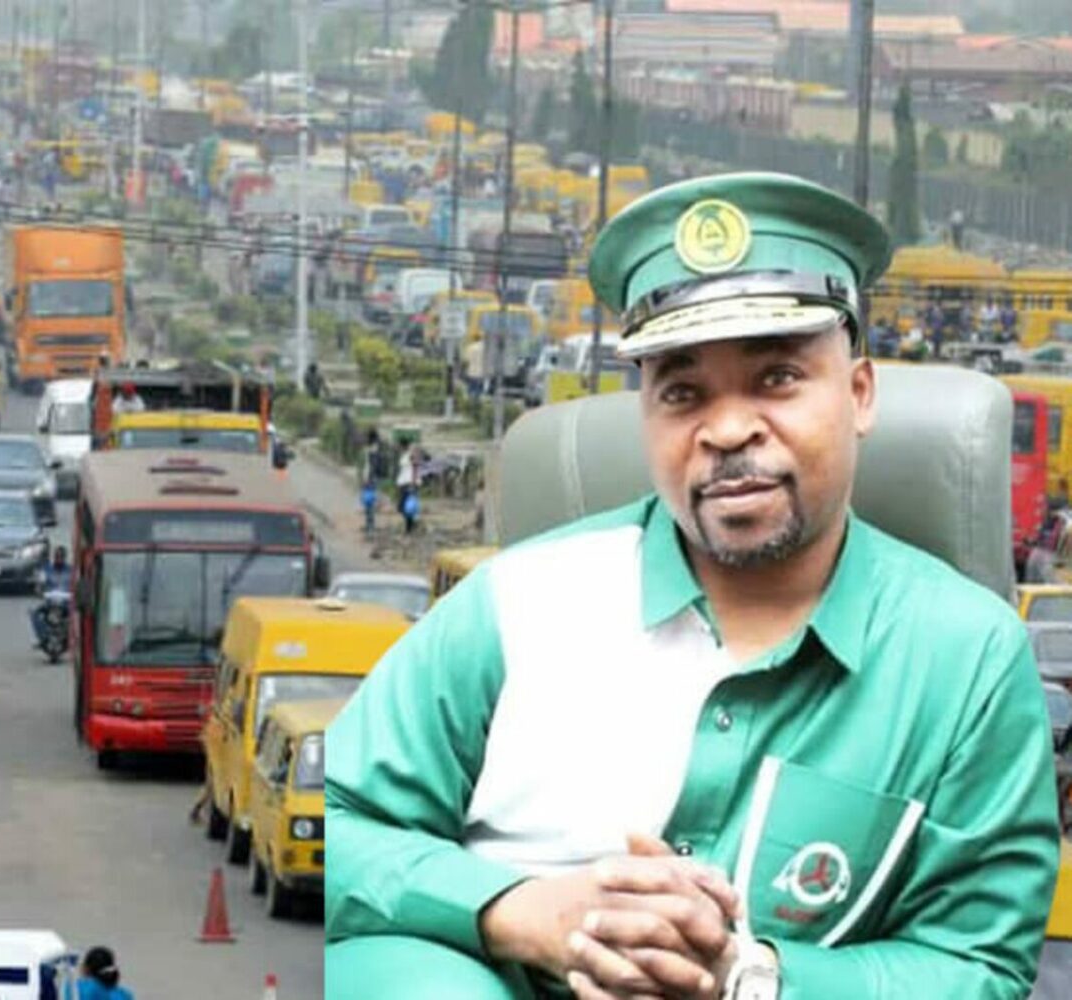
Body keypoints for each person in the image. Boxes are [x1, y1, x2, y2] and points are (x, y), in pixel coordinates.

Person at [323, 174, 1060, 999]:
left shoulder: (964, 661)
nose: (727, 429)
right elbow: (340, 826)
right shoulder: (516, 602)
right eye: (682, 393)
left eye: (776, 378)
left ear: (857, 394)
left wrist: (752, 977)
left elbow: (977, 965)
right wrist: (517, 910)